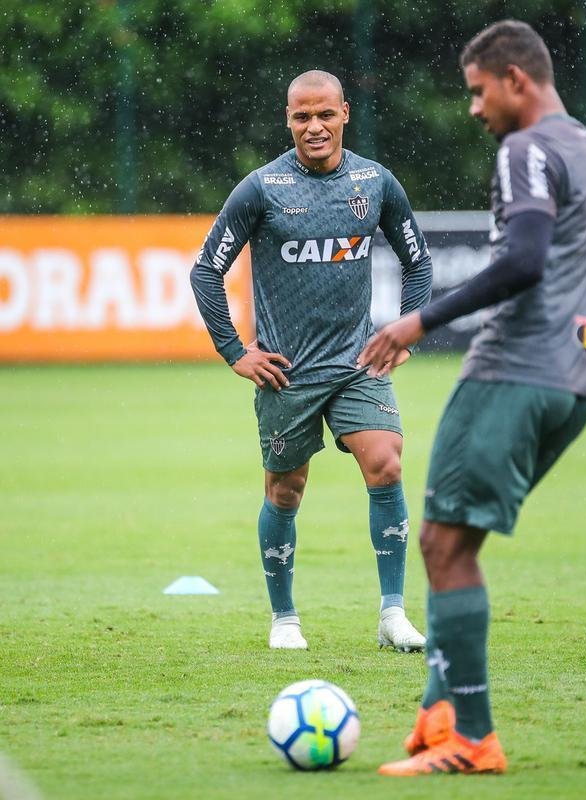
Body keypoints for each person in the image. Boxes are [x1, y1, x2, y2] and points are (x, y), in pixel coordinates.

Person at [358, 20, 586, 775]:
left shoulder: (525, 149)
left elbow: (525, 259)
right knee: (450, 544)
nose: (473, 108)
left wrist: (418, 320)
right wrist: (582, 330)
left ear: (516, 80)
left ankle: (471, 739)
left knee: (440, 545)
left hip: (511, 372)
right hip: (571, 386)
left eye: (477, 91)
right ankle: (439, 715)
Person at [190, 71, 432, 652]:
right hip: (286, 373)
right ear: (288, 120)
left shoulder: (376, 183)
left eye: (325, 114)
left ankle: (393, 614)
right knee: (285, 492)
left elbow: (418, 263)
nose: (314, 127)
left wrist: (404, 333)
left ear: (345, 113)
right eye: (302, 116)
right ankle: (284, 619)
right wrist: (236, 352)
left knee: (387, 465)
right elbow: (205, 271)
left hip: (356, 364)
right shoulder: (261, 188)